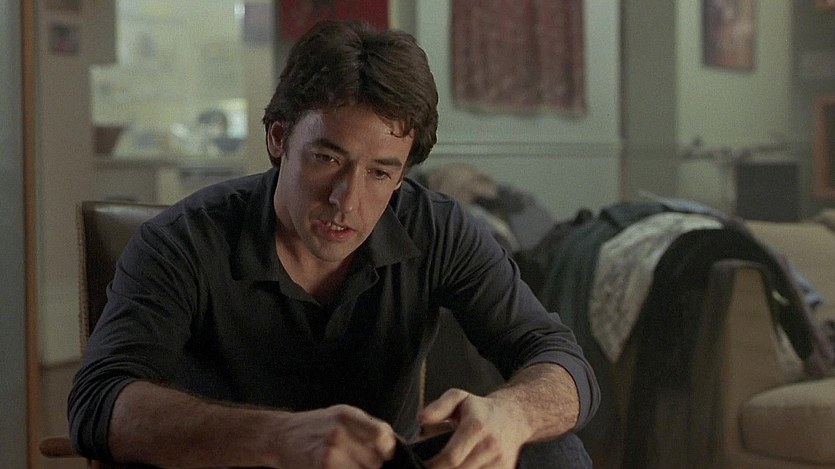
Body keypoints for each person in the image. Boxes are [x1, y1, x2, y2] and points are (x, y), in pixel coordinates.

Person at [68, 20, 600, 469]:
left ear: (402, 174)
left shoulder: (437, 228)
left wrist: (513, 415)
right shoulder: (184, 240)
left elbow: (559, 359)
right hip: (243, 462)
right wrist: (278, 438)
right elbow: (99, 400)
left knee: (552, 449)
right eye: (327, 159)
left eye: (380, 173)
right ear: (279, 138)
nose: (347, 201)